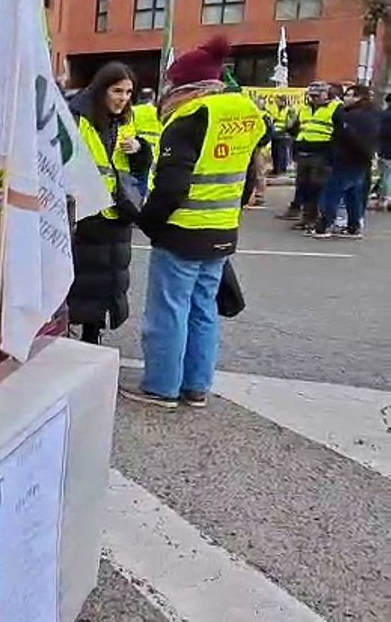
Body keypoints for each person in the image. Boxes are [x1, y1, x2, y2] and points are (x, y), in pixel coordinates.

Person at [123, 36, 266, 408]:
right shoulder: (243, 111)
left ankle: (161, 387)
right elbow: (249, 175)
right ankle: (196, 387)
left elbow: (172, 185)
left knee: (169, 311)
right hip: (222, 228)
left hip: (183, 230)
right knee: (203, 309)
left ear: (185, 84)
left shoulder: (189, 117)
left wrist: (149, 222)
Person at [66, 62, 152, 345]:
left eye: (128, 92)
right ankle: (70, 332)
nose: (123, 98)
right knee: (82, 281)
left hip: (118, 212)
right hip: (86, 212)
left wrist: (141, 149)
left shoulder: (127, 120)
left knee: (109, 281)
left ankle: (93, 333)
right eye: (117, 91)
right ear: (102, 88)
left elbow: (136, 168)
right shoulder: (77, 117)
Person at [311, 84, 378, 239]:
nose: (345, 98)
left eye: (349, 95)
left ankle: (324, 226)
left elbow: (349, 137)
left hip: (347, 159)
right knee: (353, 195)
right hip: (361, 160)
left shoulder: (352, 116)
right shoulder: (372, 114)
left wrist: (344, 127)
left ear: (359, 98)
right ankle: (354, 227)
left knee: (331, 193)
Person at [280, 82, 340, 228]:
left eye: (317, 95)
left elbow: (340, 132)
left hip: (321, 154)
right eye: (311, 95)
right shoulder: (304, 109)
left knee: (317, 187)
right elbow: (296, 129)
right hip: (304, 153)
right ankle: (307, 217)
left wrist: (333, 153)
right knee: (303, 186)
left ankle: (316, 218)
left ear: (327, 95)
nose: (313, 98)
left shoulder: (336, 109)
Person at [269, 96, 294, 176]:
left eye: (278, 101)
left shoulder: (288, 110)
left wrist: (285, 130)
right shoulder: (276, 109)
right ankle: (276, 169)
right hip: (275, 133)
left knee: (281, 153)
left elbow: (290, 122)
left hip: (283, 133)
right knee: (274, 152)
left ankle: (281, 169)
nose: (277, 103)